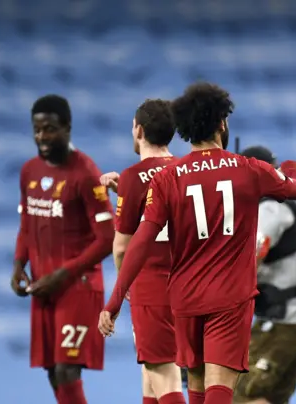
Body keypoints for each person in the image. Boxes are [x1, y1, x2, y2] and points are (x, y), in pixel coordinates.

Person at [98, 82, 296, 404]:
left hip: (185, 299)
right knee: (220, 391)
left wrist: (113, 303)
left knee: (197, 386)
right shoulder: (249, 169)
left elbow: (139, 242)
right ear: (222, 123)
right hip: (230, 299)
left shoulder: (169, 177)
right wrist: (294, 167)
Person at [11, 95, 114, 404]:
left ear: (67, 128)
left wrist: (64, 274)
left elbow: (107, 238)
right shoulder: (29, 170)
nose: (42, 137)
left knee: (68, 370)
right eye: (37, 129)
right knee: (54, 373)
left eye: (50, 129)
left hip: (77, 286)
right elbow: (27, 222)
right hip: (45, 286)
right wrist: (19, 264)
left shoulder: (85, 173)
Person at [99, 99, 183, 404]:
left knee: (164, 375)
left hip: (152, 287)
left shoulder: (135, 176)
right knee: (151, 378)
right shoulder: (186, 169)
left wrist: (126, 283)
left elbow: (122, 247)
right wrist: (124, 193)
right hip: (188, 284)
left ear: (139, 130)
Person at [234, 146, 296, 404]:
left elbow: (252, 256)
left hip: (284, 320)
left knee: (241, 393)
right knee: (271, 397)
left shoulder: (270, 209)